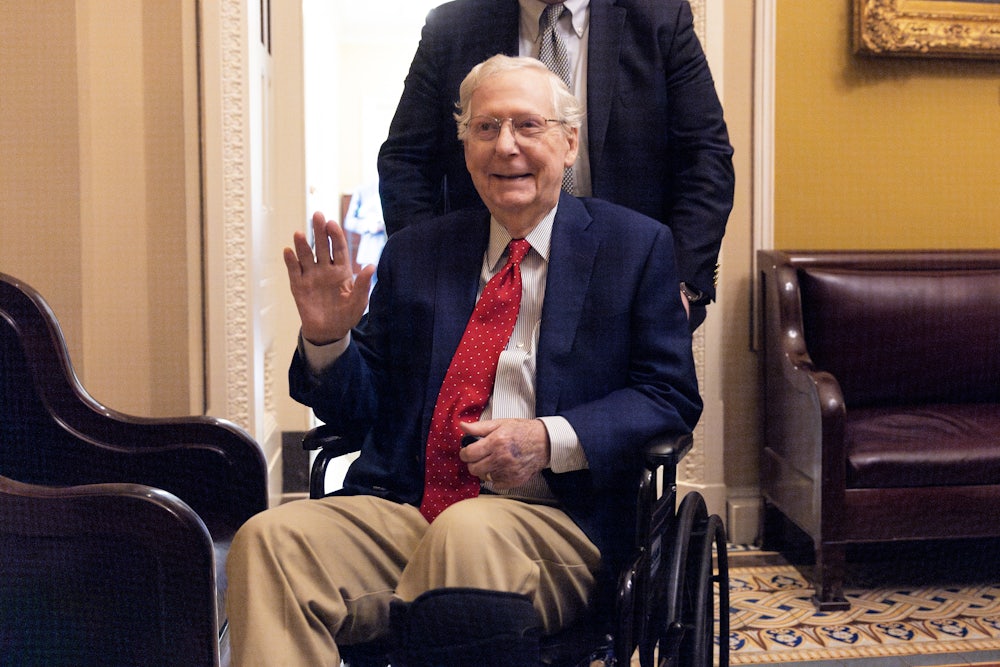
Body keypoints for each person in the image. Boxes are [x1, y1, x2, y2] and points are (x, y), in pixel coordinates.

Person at [226, 55, 701, 666]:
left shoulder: (634, 247)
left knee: (468, 530)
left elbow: (669, 396)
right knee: (269, 540)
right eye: (485, 128)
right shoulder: (420, 252)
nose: (506, 147)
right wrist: (328, 340)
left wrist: (546, 438)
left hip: (555, 520)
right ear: (465, 143)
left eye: (527, 126)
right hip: (409, 507)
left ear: (569, 141)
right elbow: (360, 404)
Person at [377, 0, 735, 329]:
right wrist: (428, 277)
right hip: (484, 289)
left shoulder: (659, 18)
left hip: (624, 292)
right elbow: (405, 162)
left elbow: (706, 160)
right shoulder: (452, 27)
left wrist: (678, 286)